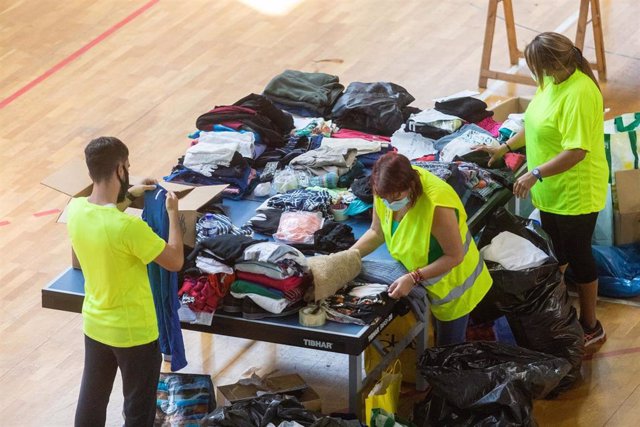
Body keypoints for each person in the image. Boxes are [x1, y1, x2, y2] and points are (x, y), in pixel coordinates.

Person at [477, 32, 608, 347]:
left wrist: (535, 172)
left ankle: (591, 325)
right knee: (557, 251)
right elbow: (534, 121)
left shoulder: (579, 93)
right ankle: (554, 312)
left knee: (578, 256)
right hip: (552, 190)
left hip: (576, 192)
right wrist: (504, 146)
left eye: (535, 66)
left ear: (550, 64)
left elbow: (576, 151)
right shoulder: (552, 80)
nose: (535, 73)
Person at [67, 136, 184, 426]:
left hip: (95, 326)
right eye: (127, 166)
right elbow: (174, 260)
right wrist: (173, 216)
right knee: (138, 412)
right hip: (135, 334)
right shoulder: (129, 227)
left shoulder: (77, 209)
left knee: (91, 403)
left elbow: (101, 226)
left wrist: (130, 196)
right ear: (120, 169)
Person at [351, 152, 493, 346]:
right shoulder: (384, 189)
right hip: (421, 275)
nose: (390, 203)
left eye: (396, 197)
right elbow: (377, 232)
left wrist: (413, 277)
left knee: (447, 349)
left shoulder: (436, 205)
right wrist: (349, 257)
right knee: (428, 341)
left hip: (453, 285)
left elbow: (454, 256)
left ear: (411, 185)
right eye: (385, 198)